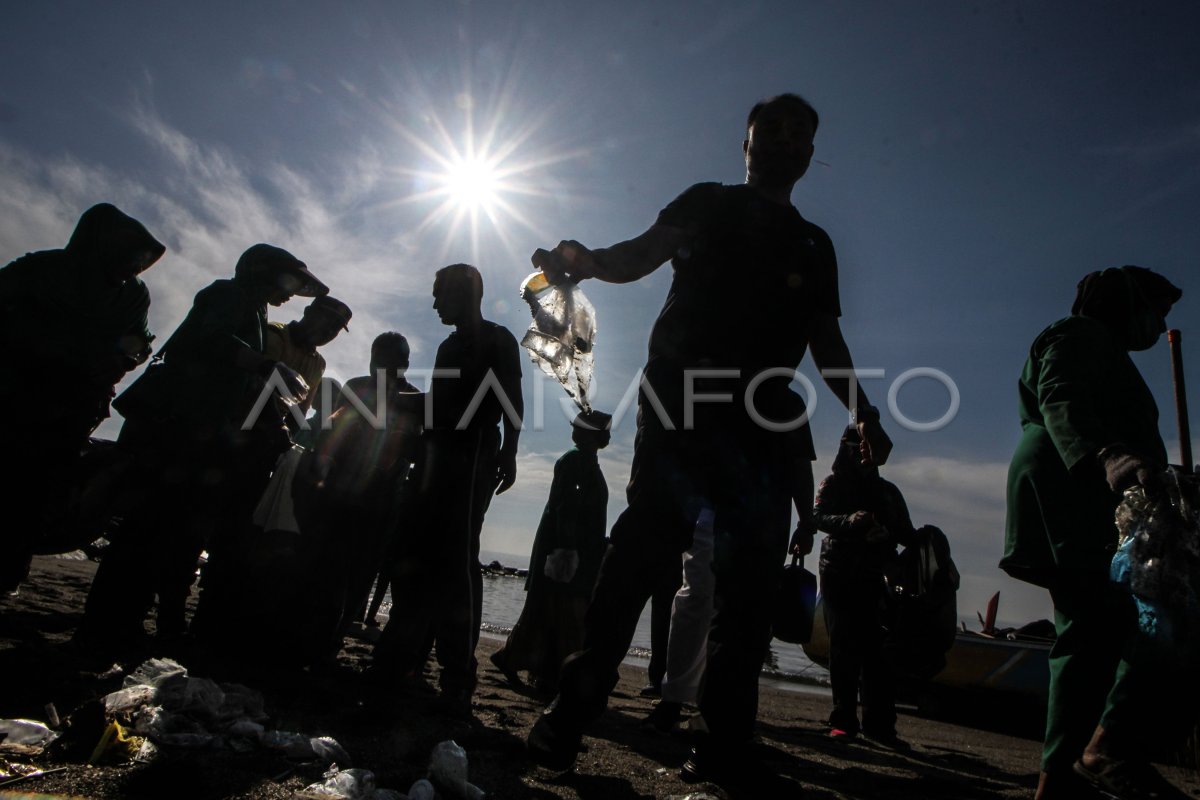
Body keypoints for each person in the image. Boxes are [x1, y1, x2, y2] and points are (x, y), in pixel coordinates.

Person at [525, 93, 893, 782]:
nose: (785, 140)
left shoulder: (815, 246)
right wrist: (586, 260)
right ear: (746, 145)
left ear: (811, 155)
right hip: (681, 407)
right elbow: (639, 254)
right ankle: (571, 710)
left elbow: (826, 339)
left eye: (799, 133)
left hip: (762, 426)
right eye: (770, 130)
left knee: (748, 592)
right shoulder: (710, 202)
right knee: (639, 558)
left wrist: (862, 410)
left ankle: (723, 743)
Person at [1001, 266, 1190, 800]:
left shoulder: (1109, 350)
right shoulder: (1079, 332)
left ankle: (1065, 776)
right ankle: (1081, 766)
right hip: (1073, 487)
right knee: (1101, 620)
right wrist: (1107, 455)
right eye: (1156, 312)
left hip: (1097, 494)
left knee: (1104, 624)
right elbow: (1061, 396)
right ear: (1127, 303)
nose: (1157, 326)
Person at [79, 243, 325, 646]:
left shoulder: (257, 312)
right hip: (175, 428)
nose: (290, 294)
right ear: (260, 271)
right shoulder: (227, 295)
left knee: (165, 529)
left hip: (199, 431)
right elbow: (209, 340)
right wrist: (264, 365)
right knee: (146, 527)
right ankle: (104, 626)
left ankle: (123, 621)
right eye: (288, 282)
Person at [374, 264, 523, 713]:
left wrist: (510, 451)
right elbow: (440, 406)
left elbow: (510, 399)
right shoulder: (447, 345)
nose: (435, 304)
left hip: (472, 454)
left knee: (456, 563)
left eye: (440, 295)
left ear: (466, 294)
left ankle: (457, 673)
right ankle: (407, 657)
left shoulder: (498, 340)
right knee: (414, 552)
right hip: (436, 456)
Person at [0, 203, 165, 594]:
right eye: (130, 255)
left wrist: (122, 359)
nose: (136, 267)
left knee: (38, 488)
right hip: (15, 392)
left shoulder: (134, 296)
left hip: (75, 403)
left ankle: (8, 569)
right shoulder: (39, 269)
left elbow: (138, 339)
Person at [491, 410, 612, 694]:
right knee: (558, 610)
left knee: (548, 609)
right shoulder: (574, 462)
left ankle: (523, 661)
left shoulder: (584, 463)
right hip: (564, 551)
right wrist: (568, 548)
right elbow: (563, 506)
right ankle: (544, 669)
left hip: (570, 550)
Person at [814, 425, 914, 746]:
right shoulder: (832, 485)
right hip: (838, 569)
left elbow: (906, 533)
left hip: (876, 575)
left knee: (878, 650)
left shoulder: (888, 491)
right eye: (854, 446)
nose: (859, 453)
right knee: (842, 645)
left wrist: (888, 533)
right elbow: (818, 517)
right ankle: (843, 718)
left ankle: (880, 724)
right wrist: (851, 522)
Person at [263, 295, 353, 418]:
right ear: (308, 312)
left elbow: (300, 412)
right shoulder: (275, 334)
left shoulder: (319, 364)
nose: (330, 330)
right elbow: (257, 387)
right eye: (326, 320)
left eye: (336, 328)